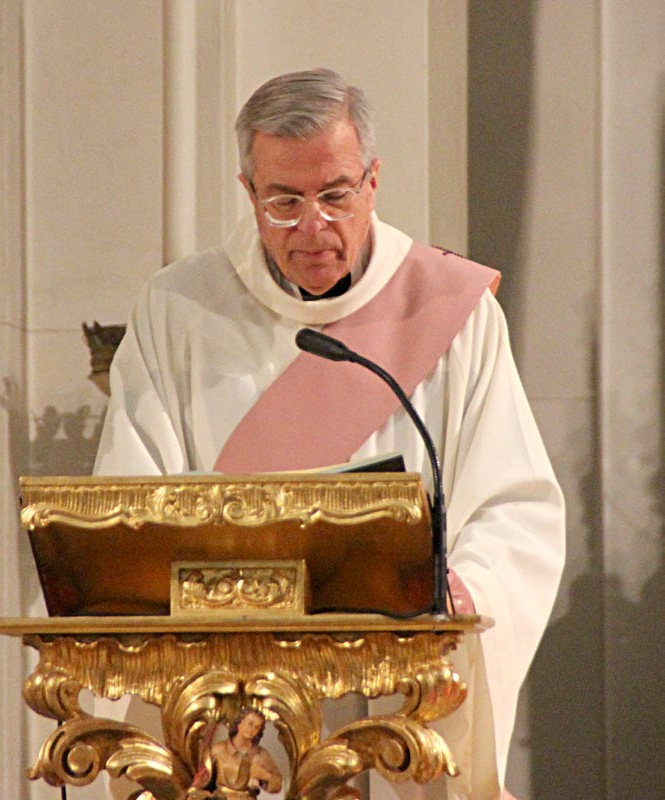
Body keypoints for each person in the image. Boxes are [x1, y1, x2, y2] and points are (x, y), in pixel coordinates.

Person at [94, 68, 565, 799]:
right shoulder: (180, 310)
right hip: (230, 697)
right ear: (249, 192)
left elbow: (516, 506)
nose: (312, 227)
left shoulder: (452, 312)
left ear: (372, 182)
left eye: (335, 196)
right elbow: (130, 509)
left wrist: (462, 589)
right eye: (284, 201)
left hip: (396, 690)